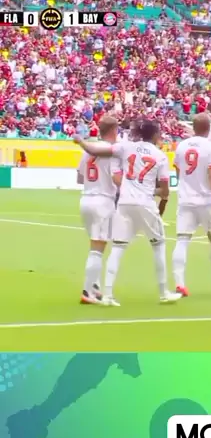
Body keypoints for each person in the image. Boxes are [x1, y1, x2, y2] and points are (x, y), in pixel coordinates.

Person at [74, 119, 181, 306]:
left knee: (116, 247)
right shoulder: (159, 155)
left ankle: (105, 293)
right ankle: (163, 292)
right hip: (125, 201)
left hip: (108, 201)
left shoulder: (124, 147)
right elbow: (163, 190)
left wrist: (81, 142)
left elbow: (82, 175)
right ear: (155, 134)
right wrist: (151, 190)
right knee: (157, 246)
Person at [172, 113, 211, 296]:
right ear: (209, 129)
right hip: (206, 200)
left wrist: (185, 186)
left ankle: (180, 284)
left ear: (193, 127)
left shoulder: (182, 146)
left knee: (182, 240)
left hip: (186, 200)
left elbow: (178, 171)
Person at [76, 115, 119, 305]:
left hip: (86, 199)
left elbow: (79, 178)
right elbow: (117, 179)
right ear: (114, 130)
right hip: (103, 201)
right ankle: (87, 292)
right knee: (97, 249)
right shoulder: (112, 151)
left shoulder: (88, 151)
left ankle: (94, 287)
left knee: (95, 245)